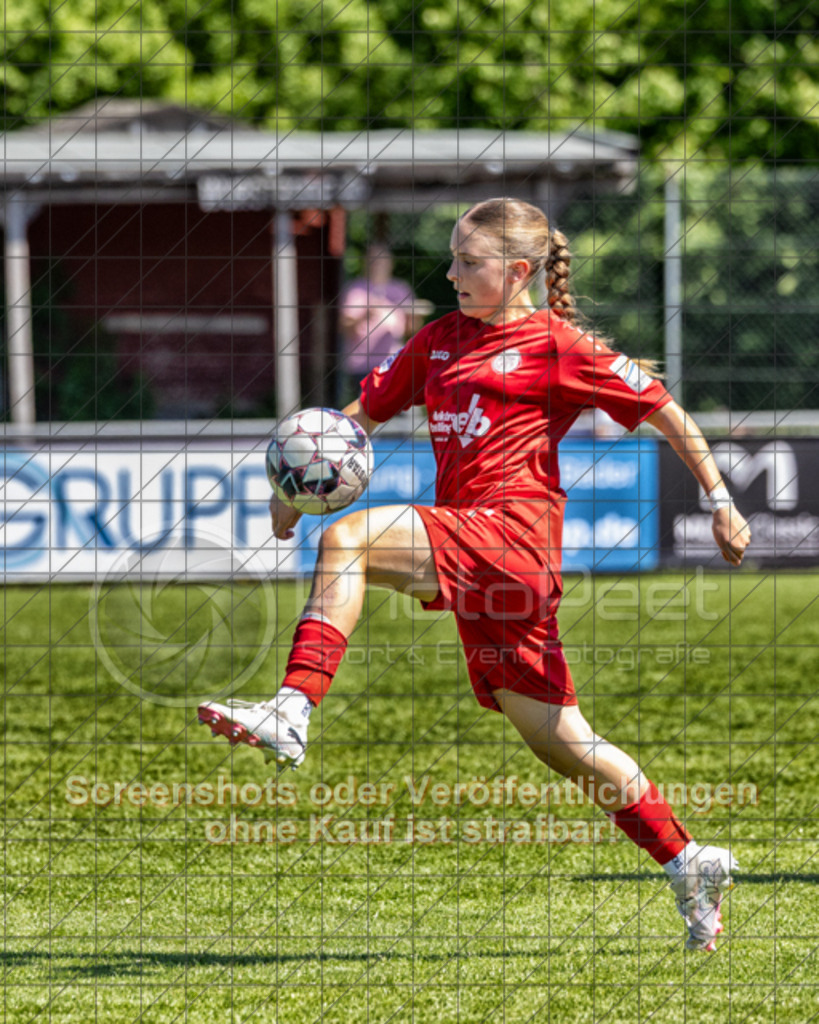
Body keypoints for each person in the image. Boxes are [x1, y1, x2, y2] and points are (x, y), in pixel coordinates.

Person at [199, 198, 752, 952]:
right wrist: (290, 486)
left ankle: (293, 708)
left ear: (517, 271)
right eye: (453, 258)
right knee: (563, 741)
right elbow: (353, 421)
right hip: (484, 560)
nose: (451, 272)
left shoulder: (557, 346)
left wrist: (719, 499)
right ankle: (689, 860)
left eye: (469, 262)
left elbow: (663, 410)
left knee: (350, 539)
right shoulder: (437, 342)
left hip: (515, 537)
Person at [338, 243, 431, 404]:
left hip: (394, 363)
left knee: (397, 411)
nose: (378, 264)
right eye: (373, 260)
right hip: (362, 365)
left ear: (390, 263)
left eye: (382, 260)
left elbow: (411, 330)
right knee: (366, 411)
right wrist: (365, 315)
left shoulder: (401, 289)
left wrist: (415, 318)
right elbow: (343, 327)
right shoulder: (355, 289)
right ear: (365, 263)